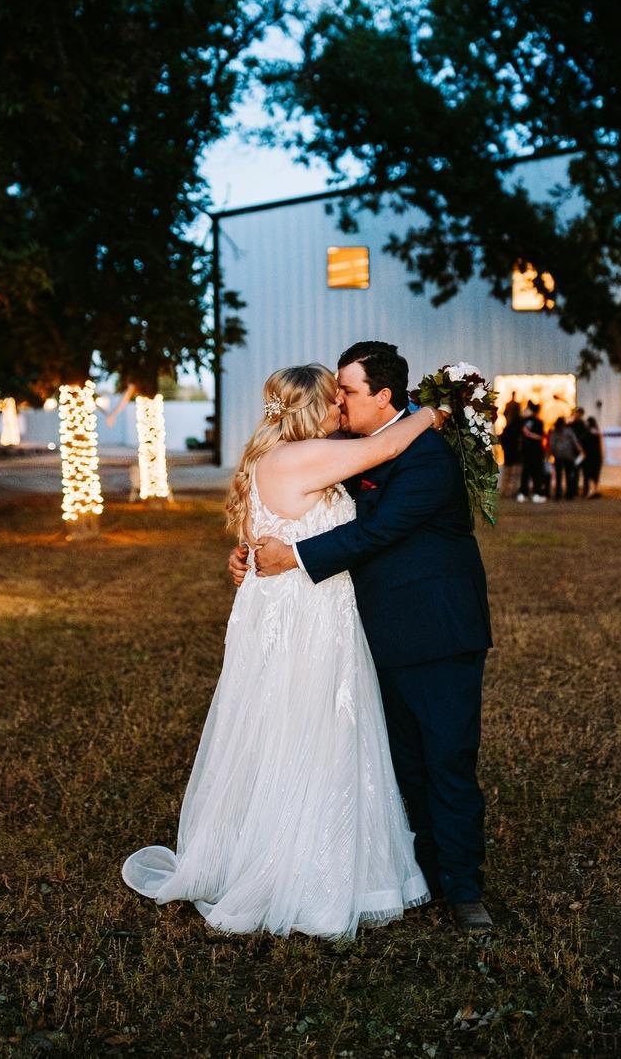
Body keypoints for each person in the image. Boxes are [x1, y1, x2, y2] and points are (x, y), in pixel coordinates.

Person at [127, 363, 443, 938]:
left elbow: (260, 539)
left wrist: (241, 559)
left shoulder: (272, 459)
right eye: (333, 400)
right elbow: (389, 444)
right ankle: (303, 871)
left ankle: (281, 849)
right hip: (305, 616)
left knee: (285, 731)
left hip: (286, 610)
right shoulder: (303, 457)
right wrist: (438, 409)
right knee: (312, 731)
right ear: (312, 409)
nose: (341, 407)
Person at [234, 340, 497, 934]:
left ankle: (463, 888)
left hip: (437, 631)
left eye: (347, 391)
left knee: (447, 760)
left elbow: (378, 532)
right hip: (372, 633)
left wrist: (293, 557)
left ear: (383, 397)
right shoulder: (350, 446)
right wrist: (250, 552)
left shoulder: (426, 457)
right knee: (404, 764)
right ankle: (422, 871)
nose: (339, 402)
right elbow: (297, 501)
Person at [517, 402, 548, 503]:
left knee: (530, 473)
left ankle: (529, 493)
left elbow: (540, 436)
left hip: (532, 452)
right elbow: (541, 436)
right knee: (531, 473)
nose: (525, 411)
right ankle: (530, 493)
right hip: (531, 452)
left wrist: (528, 434)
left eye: (528, 409)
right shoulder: (526, 421)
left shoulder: (535, 422)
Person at [550, 416, 583, 500]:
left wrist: (552, 453)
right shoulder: (569, 431)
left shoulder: (555, 431)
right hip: (569, 455)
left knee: (558, 475)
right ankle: (569, 494)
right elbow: (575, 441)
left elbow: (552, 444)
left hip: (558, 455)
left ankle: (558, 494)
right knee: (568, 474)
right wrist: (581, 451)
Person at [498, 398, 524, 499]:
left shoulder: (508, 427)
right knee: (514, 473)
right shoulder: (519, 425)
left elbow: (503, 439)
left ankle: (505, 491)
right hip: (515, 451)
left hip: (508, 451)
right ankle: (512, 490)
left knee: (507, 472)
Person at [579, 415, 604, 497]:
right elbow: (600, 446)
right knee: (595, 474)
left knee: (588, 475)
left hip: (588, 456)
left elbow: (582, 443)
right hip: (596, 456)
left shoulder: (586, 434)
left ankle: (589, 491)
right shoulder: (597, 433)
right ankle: (593, 490)